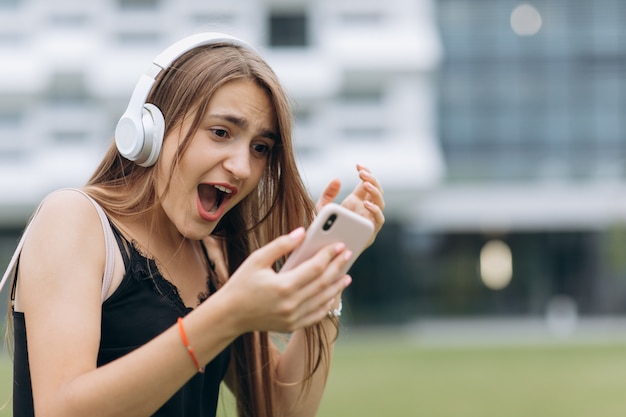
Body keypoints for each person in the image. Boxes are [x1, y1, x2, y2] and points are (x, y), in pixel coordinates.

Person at [6, 32, 385, 417]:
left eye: (260, 148)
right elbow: (60, 409)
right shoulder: (72, 219)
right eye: (221, 133)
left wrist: (326, 266)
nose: (242, 167)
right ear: (149, 130)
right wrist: (225, 317)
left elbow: (283, 409)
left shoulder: (213, 254)